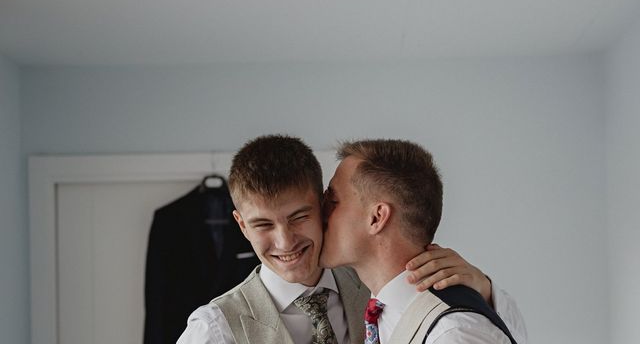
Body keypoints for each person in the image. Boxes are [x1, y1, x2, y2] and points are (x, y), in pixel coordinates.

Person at [178, 135, 526, 344]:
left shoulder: (387, 296)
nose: (284, 241)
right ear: (241, 225)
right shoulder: (215, 328)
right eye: (263, 224)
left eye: (303, 215)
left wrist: (483, 295)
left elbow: (469, 330)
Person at [319, 139, 527, 344]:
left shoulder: (453, 334)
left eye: (333, 201)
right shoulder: (378, 310)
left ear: (377, 217)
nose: (320, 212)